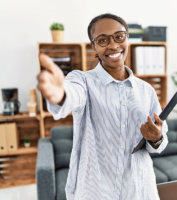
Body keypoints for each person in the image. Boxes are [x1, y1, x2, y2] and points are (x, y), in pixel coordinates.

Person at [37, 13, 169, 200]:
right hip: (96, 191)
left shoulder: (146, 90)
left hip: (139, 190)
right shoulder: (82, 80)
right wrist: (59, 94)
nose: (113, 45)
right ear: (94, 47)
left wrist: (156, 138)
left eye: (119, 36)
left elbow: (160, 144)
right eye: (103, 40)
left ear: (127, 39)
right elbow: (72, 95)